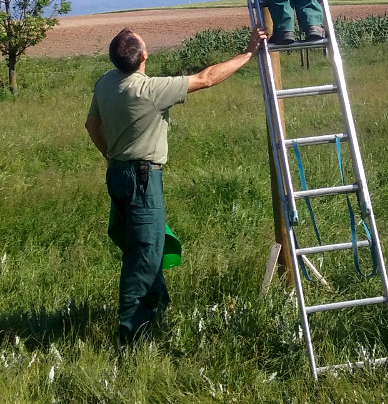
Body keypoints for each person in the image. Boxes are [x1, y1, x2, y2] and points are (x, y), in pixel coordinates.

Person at [85, 25, 266, 347]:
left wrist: (111, 155)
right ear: (143, 57)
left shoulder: (106, 83)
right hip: (142, 179)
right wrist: (249, 52)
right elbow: (207, 78)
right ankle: (132, 338)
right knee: (143, 256)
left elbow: (92, 125)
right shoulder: (149, 90)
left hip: (118, 174)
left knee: (148, 245)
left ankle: (157, 311)